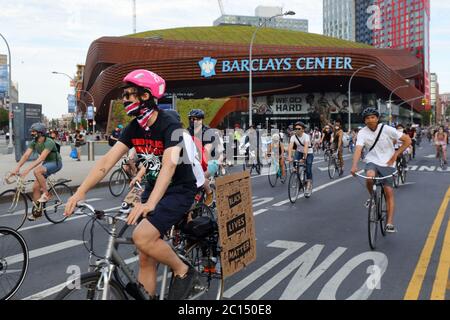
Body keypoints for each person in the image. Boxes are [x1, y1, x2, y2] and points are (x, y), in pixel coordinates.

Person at [64, 69, 199, 300]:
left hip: (179, 190)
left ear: (146, 96)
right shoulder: (135, 127)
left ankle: (183, 270)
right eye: (124, 95)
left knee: (142, 237)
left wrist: (149, 205)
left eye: (129, 94)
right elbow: (107, 161)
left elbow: (169, 166)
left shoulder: (171, 125)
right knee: (145, 254)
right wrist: (80, 192)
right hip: (152, 188)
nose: (124, 99)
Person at [351, 108, 411, 233]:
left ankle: (389, 222)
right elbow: (358, 149)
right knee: (369, 177)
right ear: (364, 120)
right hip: (372, 161)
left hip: (388, 163)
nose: (370, 120)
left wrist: (396, 154)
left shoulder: (387, 129)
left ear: (377, 118)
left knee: (388, 192)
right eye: (367, 118)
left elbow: (407, 140)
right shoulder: (362, 132)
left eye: (373, 117)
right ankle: (372, 197)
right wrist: (354, 165)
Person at [11, 122, 63, 221]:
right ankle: (38, 212)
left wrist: (27, 170)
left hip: (56, 163)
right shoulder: (34, 142)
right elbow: (26, 155)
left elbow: (41, 158)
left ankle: (46, 194)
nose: (32, 133)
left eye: (34, 132)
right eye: (32, 132)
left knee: (37, 171)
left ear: (40, 132)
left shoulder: (49, 142)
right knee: (35, 188)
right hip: (46, 164)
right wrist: (17, 167)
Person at [187, 108, 217, 206]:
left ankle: (209, 193)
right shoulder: (187, 131)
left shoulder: (208, 132)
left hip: (210, 161)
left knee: (200, 176)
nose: (193, 121)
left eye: (196, 119)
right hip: (194, 161)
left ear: (201, 120)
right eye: (191, 119)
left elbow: (207, 150)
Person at [287, 122, 314, 198]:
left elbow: (305, 148)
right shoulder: (293, 137)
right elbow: (290, 147)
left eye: (299, 129)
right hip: (299, 152)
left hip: (308, 153)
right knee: (295, 165)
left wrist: (304, 158)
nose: (297, 130)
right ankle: (297, 176)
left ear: (303, 130)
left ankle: (308, 184)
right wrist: (289, 157)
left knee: (308, 168)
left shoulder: (306, 136)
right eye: (296, 129)